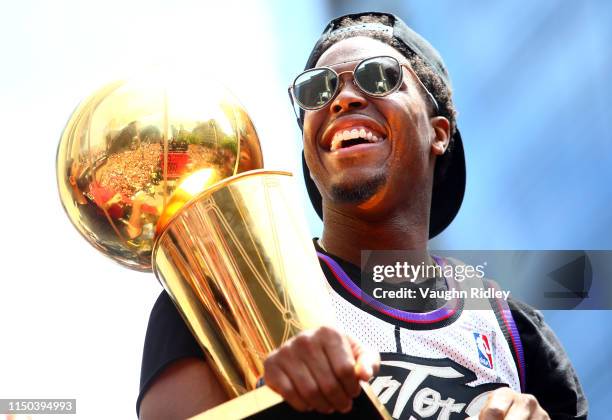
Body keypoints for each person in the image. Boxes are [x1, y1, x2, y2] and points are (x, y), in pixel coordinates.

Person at [137, 12, 587, 419]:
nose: (343, 98)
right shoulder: (223, 296)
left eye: (378, 77)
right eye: (318, 88)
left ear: (439, 133)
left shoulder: (514, 331)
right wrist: (272, 401)